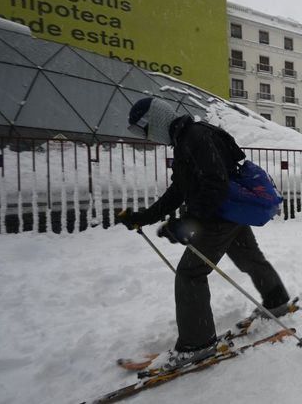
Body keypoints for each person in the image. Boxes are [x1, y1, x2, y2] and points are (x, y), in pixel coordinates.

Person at [116, 97, 292, 370]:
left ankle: (197, 344)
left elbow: (215, 184)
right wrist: (143, 217)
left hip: (219, 216)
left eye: (144, 130)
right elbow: (179, 190)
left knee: (190, 274)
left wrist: (188, 224)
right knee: (249, 258)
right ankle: (277, 300)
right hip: (231, 212)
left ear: (155, 121)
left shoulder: (195, 138)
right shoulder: (189, 138)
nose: (148, 137)